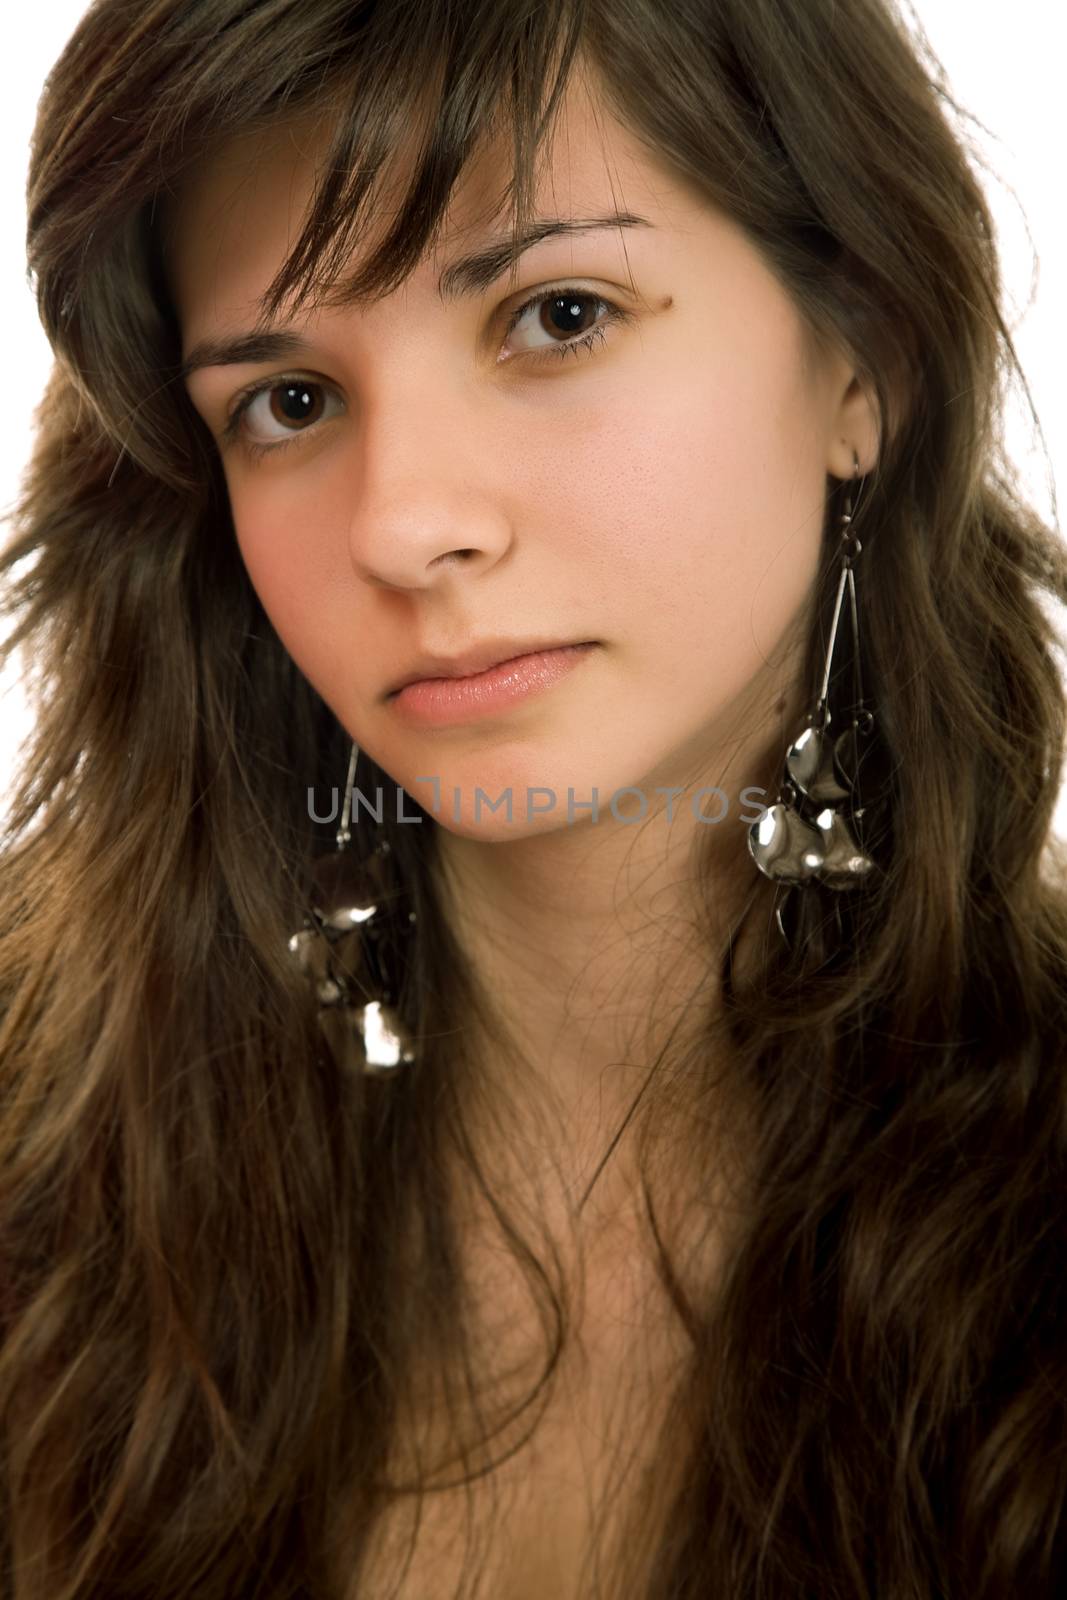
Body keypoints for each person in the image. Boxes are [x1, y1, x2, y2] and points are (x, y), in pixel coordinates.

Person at [1, 0, 1065, 1595]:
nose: (406, 524)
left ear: (868, 358)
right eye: (287, 400)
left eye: (558, 315)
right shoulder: (44, 1155)